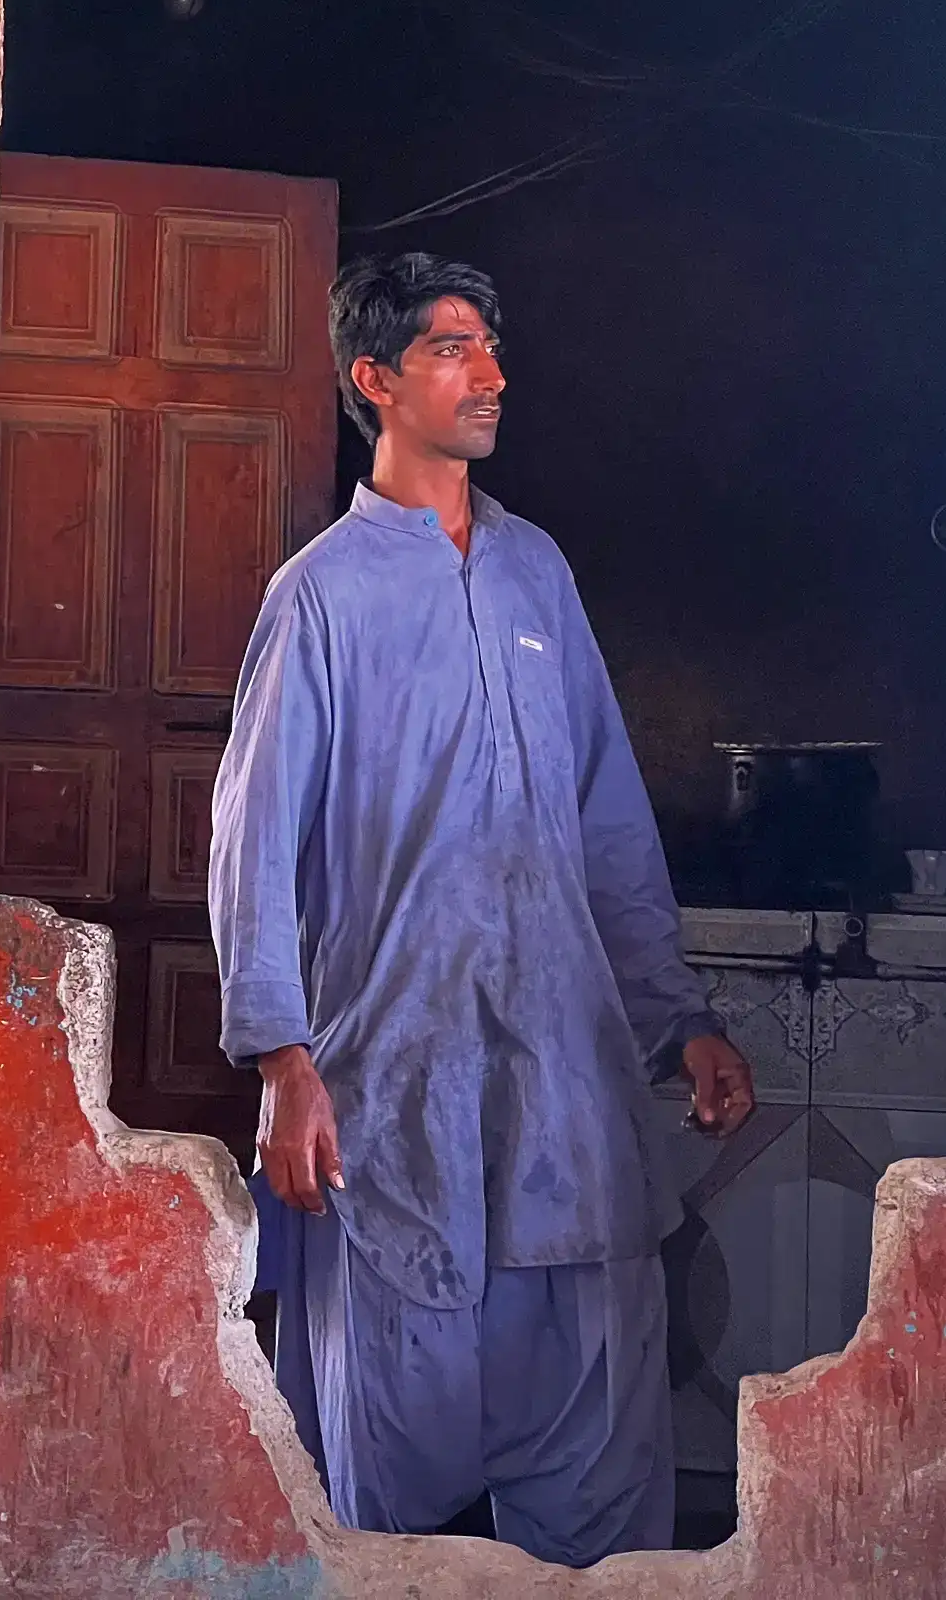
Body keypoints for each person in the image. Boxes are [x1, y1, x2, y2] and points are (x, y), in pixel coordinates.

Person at [209, 251, 754, 1565]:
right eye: (457, 348)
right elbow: (251, 843)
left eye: (494, 347)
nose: (493, 375)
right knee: (374, 1501)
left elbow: (607, 818)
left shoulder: (535, 579)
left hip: (562, 1101)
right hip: (391, 1105)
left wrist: (675, 1018)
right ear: (376, 380)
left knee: (598, 1501)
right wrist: (283, 1059)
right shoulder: (322, 599)